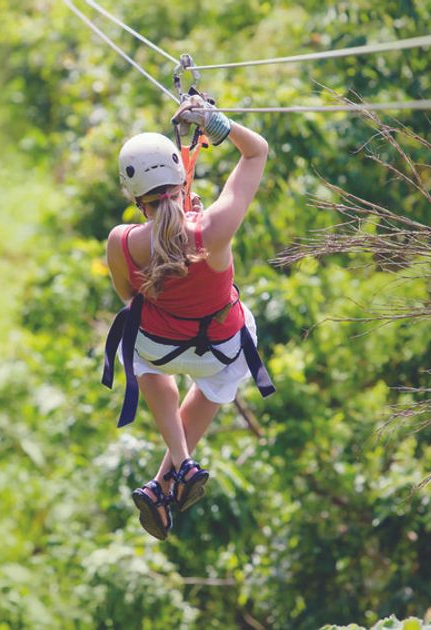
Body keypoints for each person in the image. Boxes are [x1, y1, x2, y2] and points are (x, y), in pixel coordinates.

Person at [103, 95, 274, 540]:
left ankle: (177, 468)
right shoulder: (213, 229)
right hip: (221, 347)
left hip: (159, 347)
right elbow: (257, 151)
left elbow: (130, 297)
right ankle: (170, 476)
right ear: (182, 179)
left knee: (135, 341)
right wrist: (217, 124)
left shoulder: (121, 242)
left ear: (135, 198)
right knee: (217, 377)